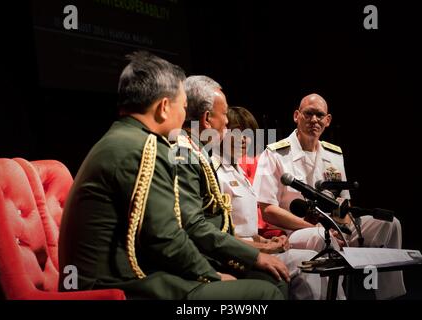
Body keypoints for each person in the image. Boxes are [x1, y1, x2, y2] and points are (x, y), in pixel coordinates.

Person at [58, 51, 284, 300]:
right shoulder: (145, 148)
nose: (185, 116)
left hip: (121, 276)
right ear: (164, 107)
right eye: (184, 107)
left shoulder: (126, 138)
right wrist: (210, 274)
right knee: (265, 294)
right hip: (119, 286)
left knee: (266, 280)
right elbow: (164, 237)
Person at [253, 93, 406, 299]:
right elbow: (268, 210)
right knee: (321, 238)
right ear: (296, 116)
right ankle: (336, 296)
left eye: (319, 115)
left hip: (334, 227)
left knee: (390, 224)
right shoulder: (275, 153)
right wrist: (318, 228)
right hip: (295, 232)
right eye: (308, 114)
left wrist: (340, 227)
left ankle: (390, 296)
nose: (314, 120)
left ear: (328, 120)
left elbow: (344, 201)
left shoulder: (334, 153)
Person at [173, 75, 290, 298]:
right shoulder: (184, 154)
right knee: (272, 284)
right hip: (202, 260)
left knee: (275, 279)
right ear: (207, 119)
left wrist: (259, 243)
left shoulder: (196, 153)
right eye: (225, 114)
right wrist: (257, 253)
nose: (227, 122)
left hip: (219, 250)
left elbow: (220, 223)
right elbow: (194, 227)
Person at [212, 106, 345, 299]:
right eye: (237, 132)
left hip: (253, 247)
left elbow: (246, 230)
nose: (245, 139)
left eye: (249, 134)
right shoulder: (215, 171)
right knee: (309, 259)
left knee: (313, 259)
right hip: (236, 255)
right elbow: (220, 234)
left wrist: (268, 240)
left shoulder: (239, 172)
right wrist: (265, 247)